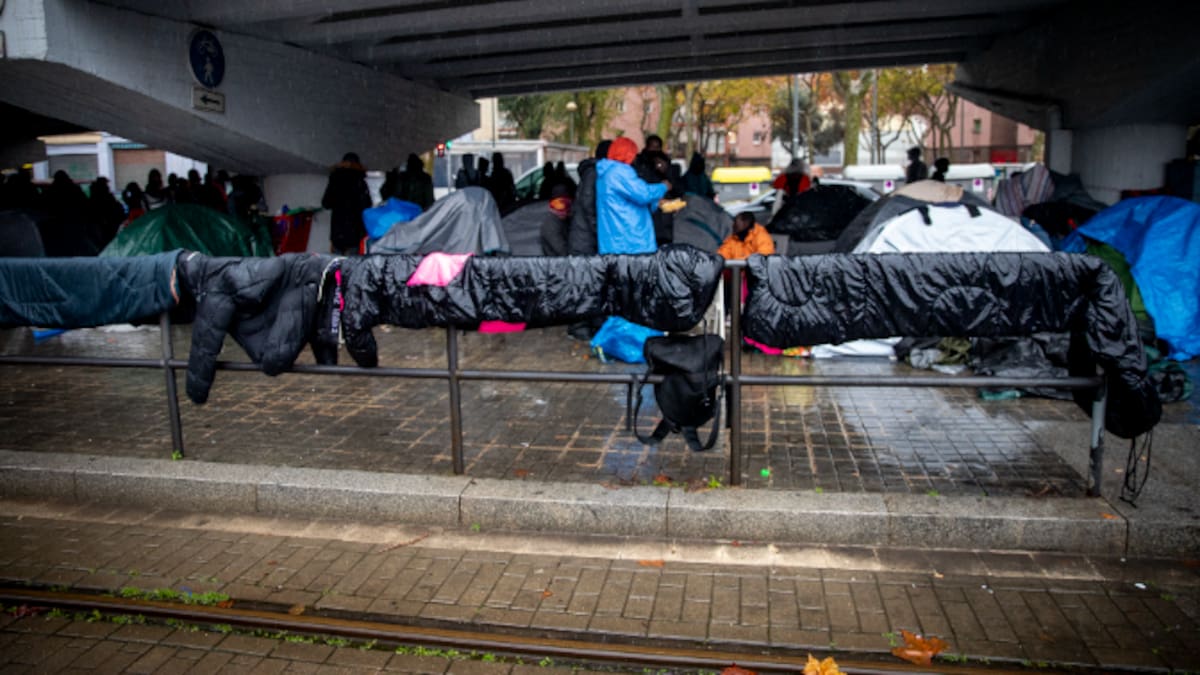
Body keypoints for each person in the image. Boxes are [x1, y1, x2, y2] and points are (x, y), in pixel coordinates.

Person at [596, 136, 668, 255]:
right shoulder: (620, 172)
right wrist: (663, 187)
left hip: (612, 239)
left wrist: (655, 203)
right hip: (630, 241)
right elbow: (643, 194)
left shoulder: (605, 173)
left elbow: (626, 200)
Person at [321, 152, 372, 255]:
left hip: (337, 233)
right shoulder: (360, 182)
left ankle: (337, 272)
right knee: (351, 267)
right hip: (354, 233)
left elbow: (326, 203)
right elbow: (367, 205)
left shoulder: (335, 180)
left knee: (335, 265)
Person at [86, 176, 127, 248]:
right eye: (106, 184)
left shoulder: (94, 199)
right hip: (107, 228)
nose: (108, 186)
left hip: (102, 229)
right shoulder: (107, 198)